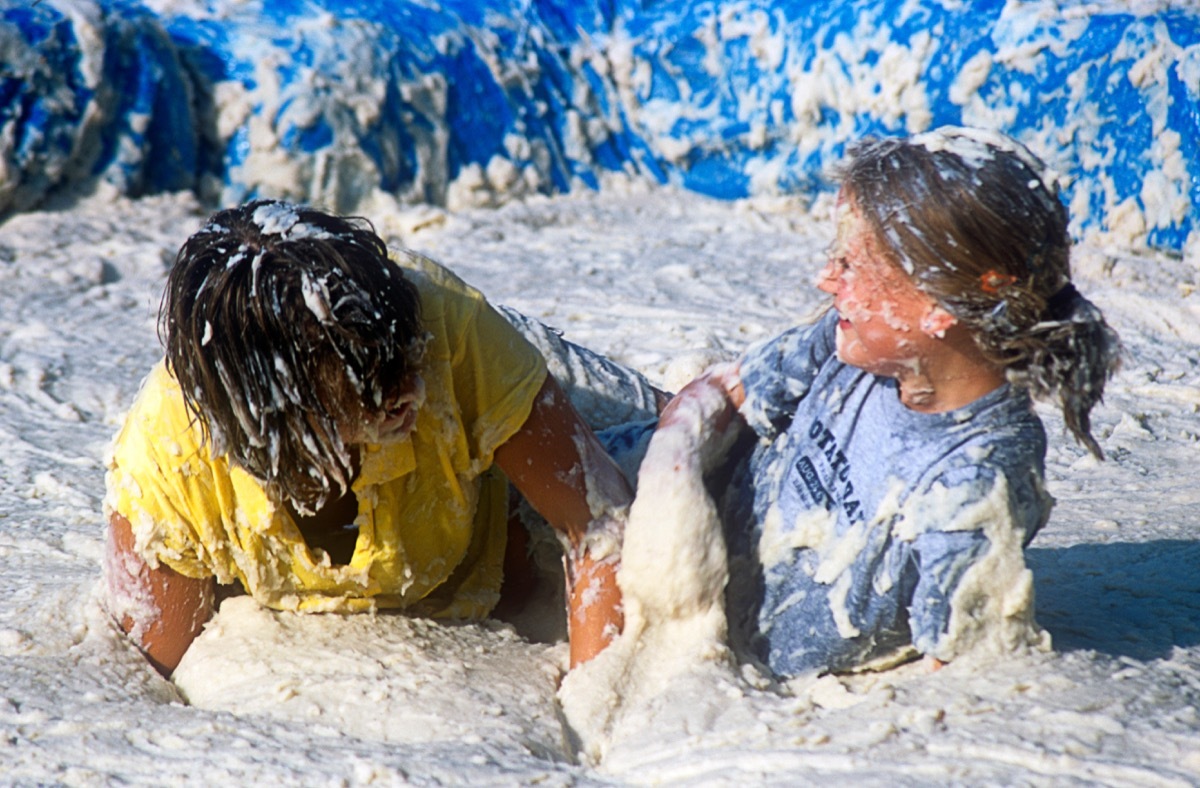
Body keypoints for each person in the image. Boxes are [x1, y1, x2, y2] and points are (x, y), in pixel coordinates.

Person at [103, 199, 663, 677]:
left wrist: (596, 711)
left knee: (676, 443)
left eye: (402, 363)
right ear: (280, 411)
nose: (409, 387)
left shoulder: (445, 340)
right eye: (369, 384)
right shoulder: (169, 463)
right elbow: (147, 680)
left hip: (497, 357)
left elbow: (601, 524)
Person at [653, 127, 1121, 677]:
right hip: (674, 545)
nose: (826, 279)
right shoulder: (854, 341)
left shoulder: (975, 481)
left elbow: (963, 681)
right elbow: (723, 392)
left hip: (723, 662)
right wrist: (667, 486)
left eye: (851, 266)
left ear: (942, 303)